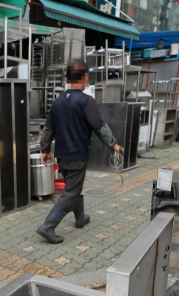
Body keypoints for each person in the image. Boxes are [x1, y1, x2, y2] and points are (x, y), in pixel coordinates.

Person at [36, 61, 121, 244]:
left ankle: (80, 218)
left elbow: (47, 129)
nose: (87, 82)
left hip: (62, 155)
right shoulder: (86, 101)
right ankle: (48, 226)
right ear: (83, 77)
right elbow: (99, 126)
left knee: (73, 187)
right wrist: (113, 144)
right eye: (87, 78)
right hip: (77, 154)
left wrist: (45, 150)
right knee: (71, 192)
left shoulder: (57, 101)